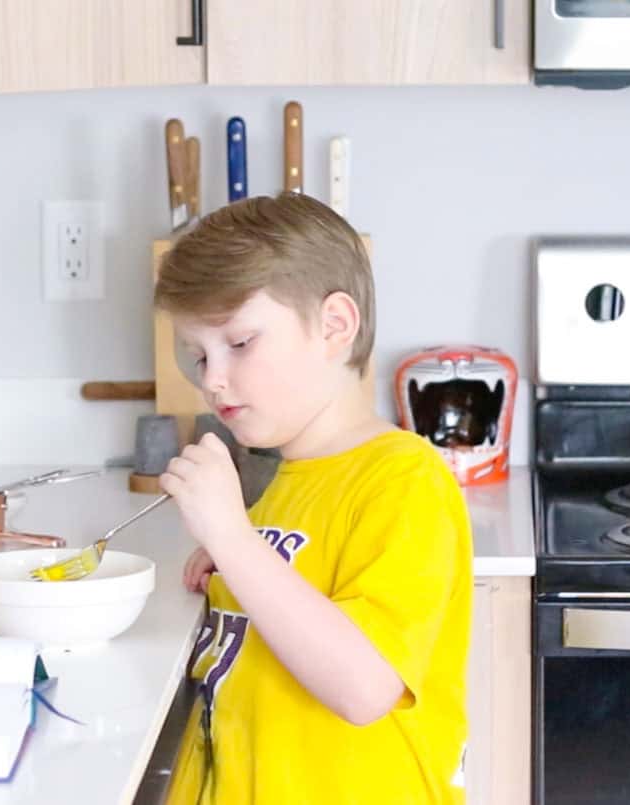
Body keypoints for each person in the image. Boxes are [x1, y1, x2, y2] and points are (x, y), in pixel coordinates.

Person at [156, 193, 472, 804]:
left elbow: (364, 687)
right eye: (199, 355)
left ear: (334, 326)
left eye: (240, 343)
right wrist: (237, 557)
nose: (211, 379)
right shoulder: (287, 484)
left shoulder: (405, 480)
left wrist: (235, 542)